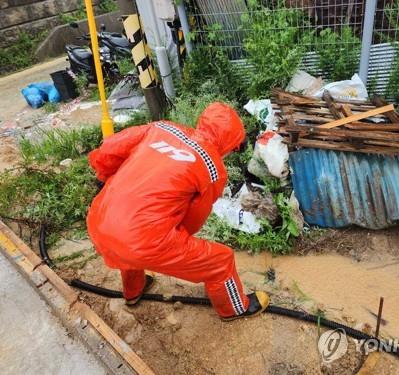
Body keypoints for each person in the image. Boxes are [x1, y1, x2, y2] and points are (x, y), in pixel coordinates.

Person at [86, 103, 269, 320]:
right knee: (220, 260)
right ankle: (235, 308)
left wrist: (105, 177)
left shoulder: (162, 129)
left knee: (131, 238)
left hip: (99, 219)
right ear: (229, 142)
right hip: (140, 240)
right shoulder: (212, 169)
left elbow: (110, 148)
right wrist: (176, 249)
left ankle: (134, 291)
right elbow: (192, 222)